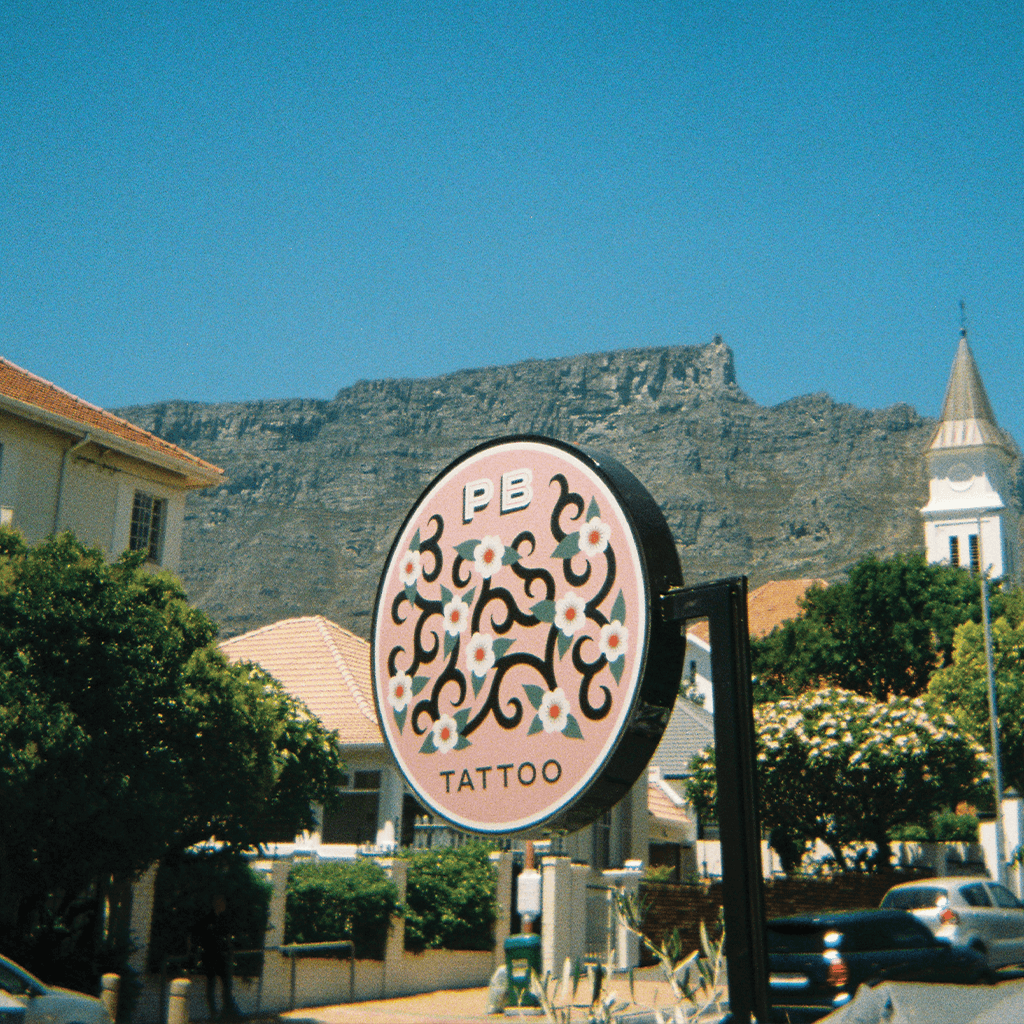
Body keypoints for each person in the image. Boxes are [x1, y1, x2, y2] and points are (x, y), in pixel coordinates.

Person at [193, 894, 239, 1020]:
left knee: (226, 985)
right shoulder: (208, 918)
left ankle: (226, 1011)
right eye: (220, 902)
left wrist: (231, 953)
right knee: (211, 985)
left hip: (222, 957)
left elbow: (229, 937)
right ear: (215, 903)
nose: (222, 905)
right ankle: (214, 1013)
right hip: (210, 956)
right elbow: (199, 936)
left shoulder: (225, 919)